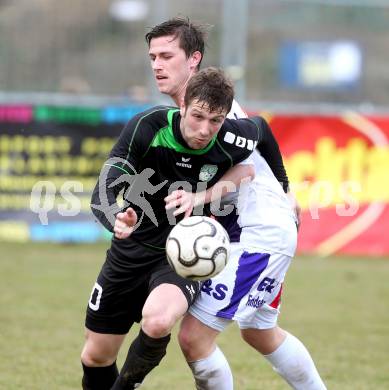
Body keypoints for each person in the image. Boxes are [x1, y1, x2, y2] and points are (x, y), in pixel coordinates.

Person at [147, 17, 326, 389]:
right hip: (257, 230)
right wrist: (285, 188)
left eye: (168, 56)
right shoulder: (203, 106)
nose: (157, 65)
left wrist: (280, 190)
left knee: (194, 336)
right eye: (153, 56)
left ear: (193, 60)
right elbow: (261, 130)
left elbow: (255, 138)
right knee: (259, 331)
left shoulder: (208, 109)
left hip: (258, 233)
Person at [81, 67, 264, 390]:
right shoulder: (146, 126)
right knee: (96, 356)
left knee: (159, 320)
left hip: (181, 257)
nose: (205, 129)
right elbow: (103, 192)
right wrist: (117, 220)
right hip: (129, 252)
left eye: (216, 121)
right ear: (183, 106)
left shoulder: (231, 138)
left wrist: (209, 195)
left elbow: (249, 162)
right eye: (197, 116)